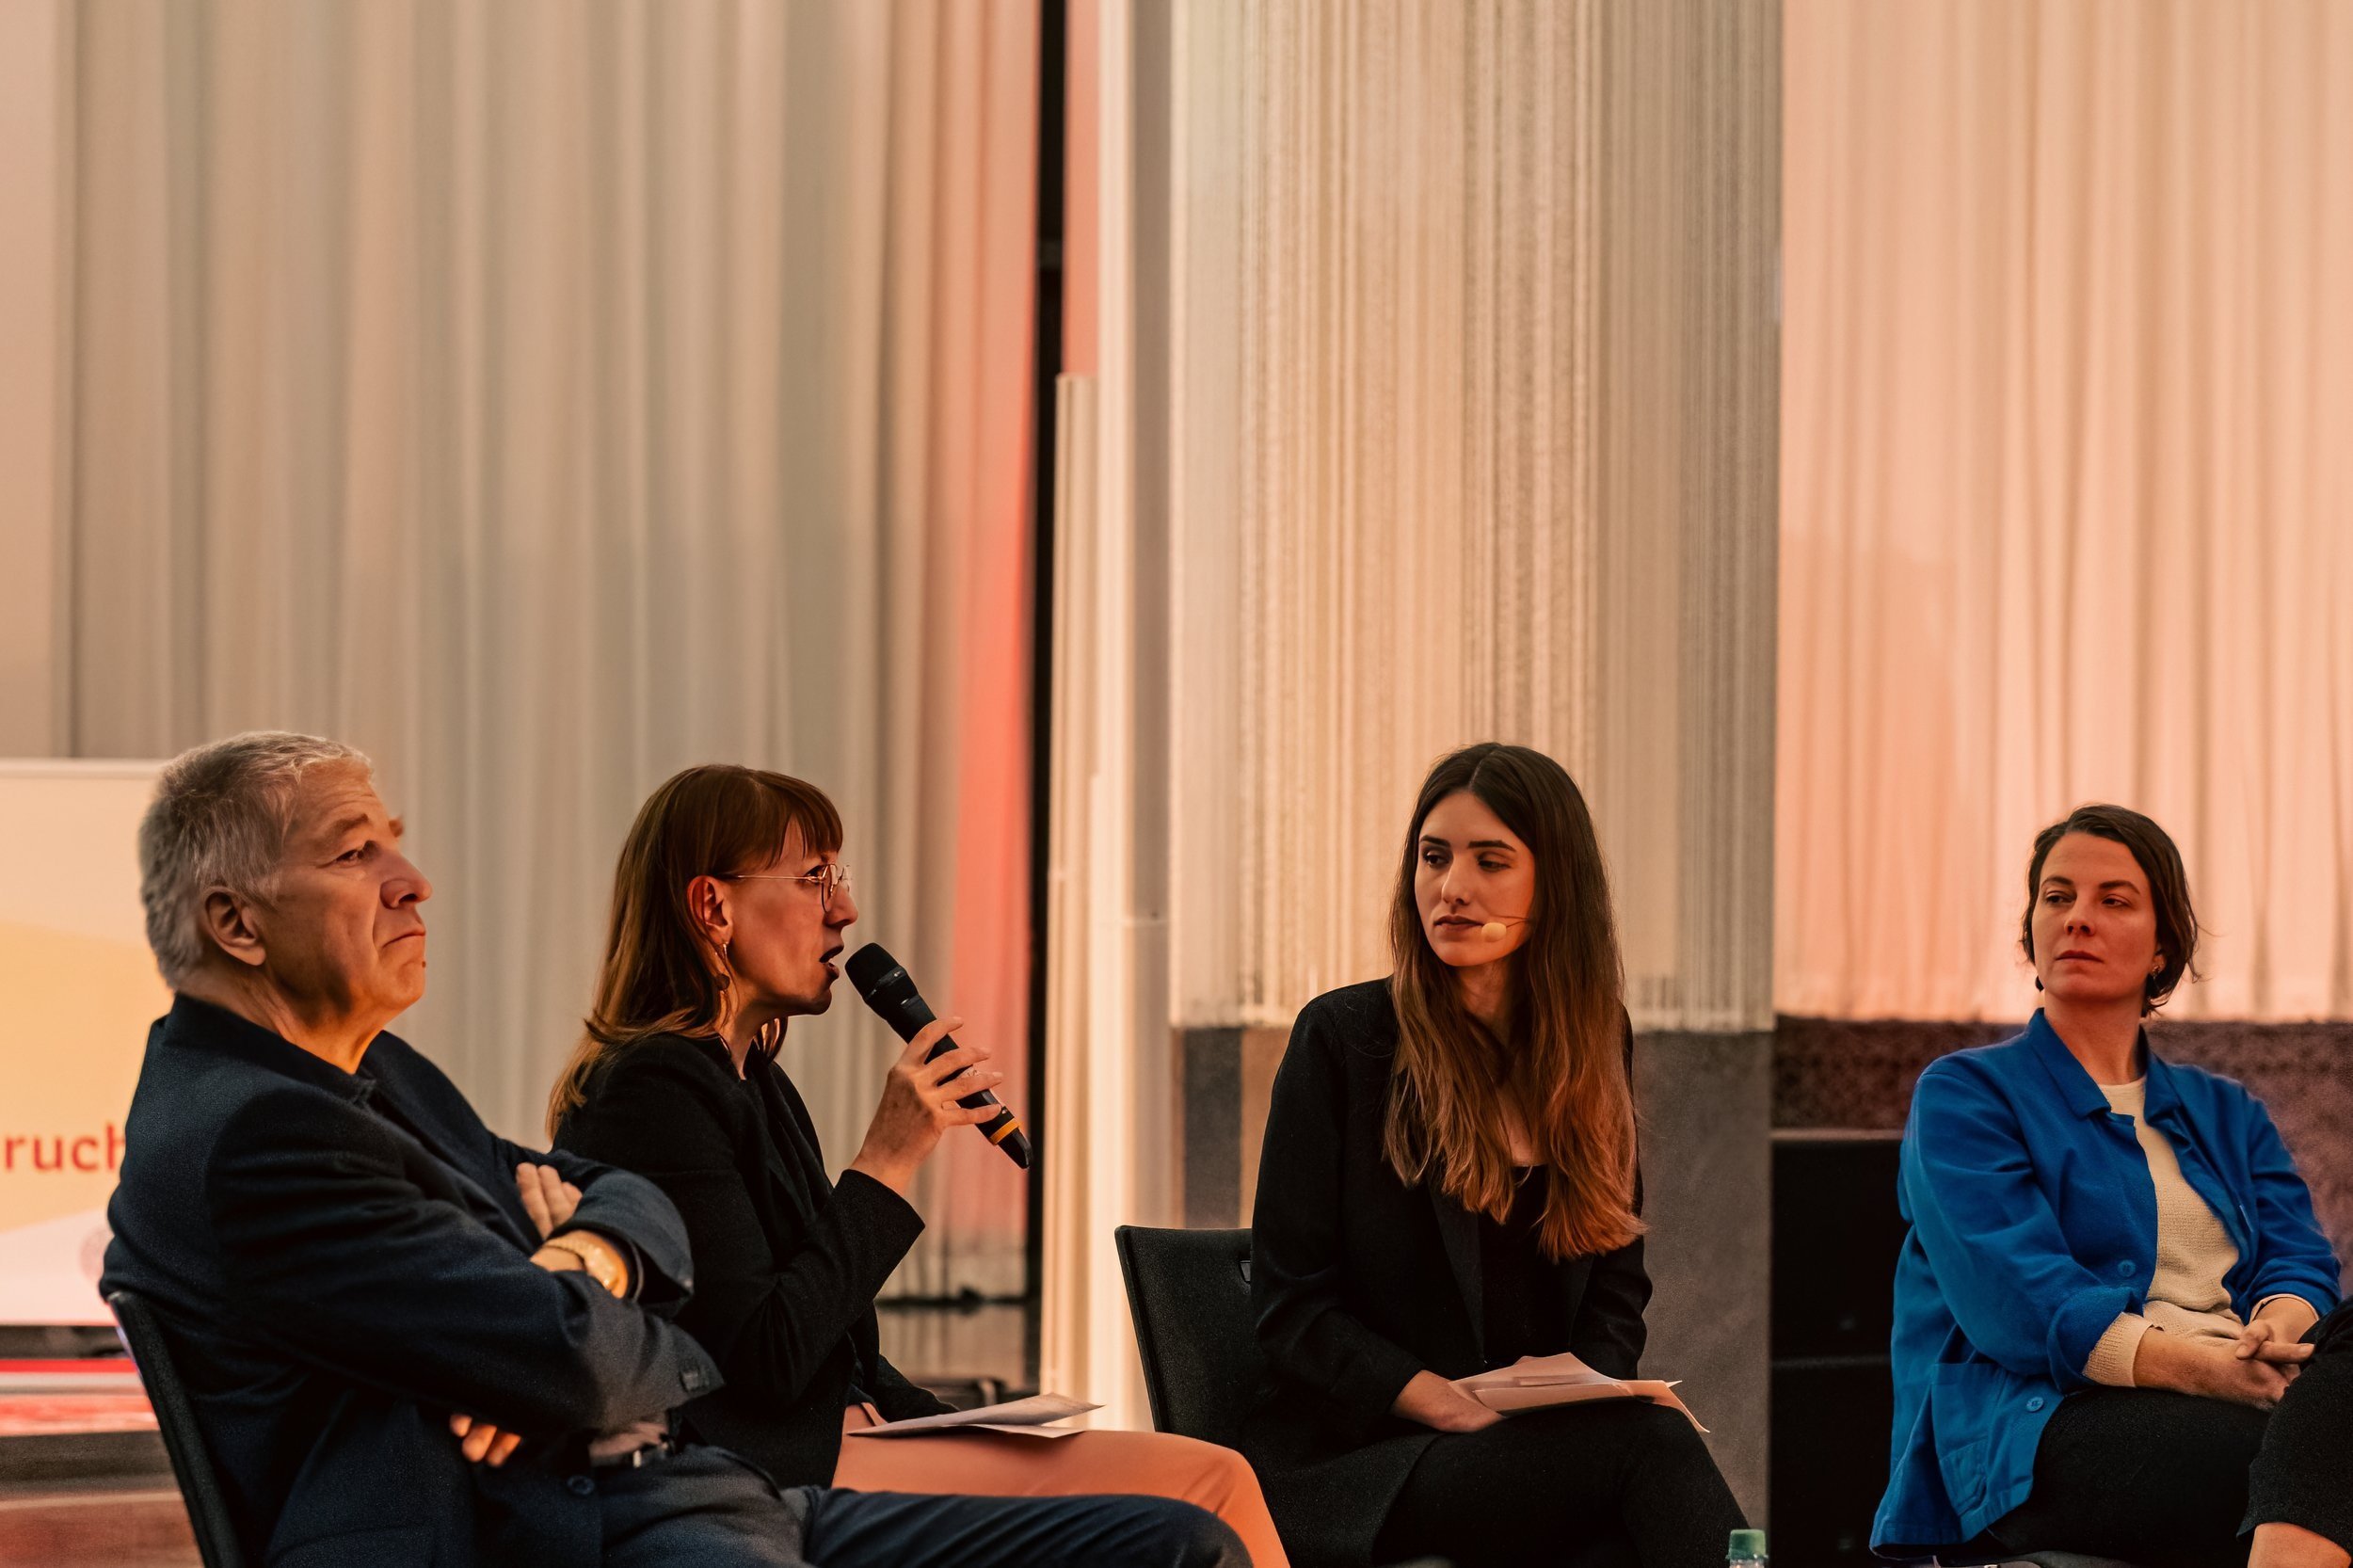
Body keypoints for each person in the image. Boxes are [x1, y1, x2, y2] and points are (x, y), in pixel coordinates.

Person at [101, 731, 1245, 1568]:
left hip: (685, 1491)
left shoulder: (372, 1073)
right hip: (575, 1527)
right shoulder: (254, 1128)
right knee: (1194, 1493)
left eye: (395, 843)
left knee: (1181, 1540)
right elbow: (603, 1363)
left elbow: (620, 1204)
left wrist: (584, 1260)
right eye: (356, 853)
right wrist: (557, 1325)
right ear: (237, 924)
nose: (414, 880)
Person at [547, 763, 1289, 1568]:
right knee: (1205, 1481)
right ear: (712, 906)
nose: (846, 910)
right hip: (779, 1472)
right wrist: (886, 1160)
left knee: (1211, 1473)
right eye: (814, 878)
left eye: (840, 876)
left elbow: (839, 1351)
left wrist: (968, 1422)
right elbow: (765, 1362)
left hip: (858, 1439)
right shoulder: (654, 1089)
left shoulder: (755, 1078)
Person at [1240, 742, 1748, 1568]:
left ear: (1557, 887)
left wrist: (1574, 1392)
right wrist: (1443, 1404)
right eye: (1434, 858)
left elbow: (1616, 1285)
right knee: (1651, 1449)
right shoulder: (1344, 1040)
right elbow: (1290, 1309)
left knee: (1620, 1540)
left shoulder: (1593, 1039)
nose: (1453, 888)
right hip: (1371, 1459)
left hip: (1531, 1448)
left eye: (1491, 861)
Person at [1874, 803, 2353, 1568]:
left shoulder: (2228, 1110)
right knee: (2305, 1463)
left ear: (2164, 948)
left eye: (2113, 900)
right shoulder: (1966, 1094)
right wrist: (2213, 1371)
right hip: (2046, 1429)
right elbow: (2026, 1304)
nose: (2078, 919)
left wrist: (2275, 1335)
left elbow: (2299, 1263)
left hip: (2241, 1387)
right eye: (2057, 897)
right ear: (2030, 927)